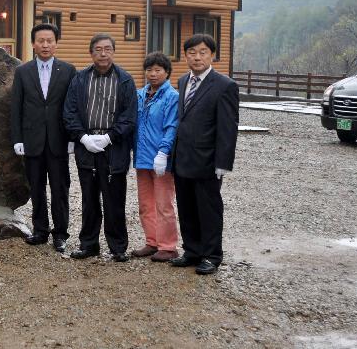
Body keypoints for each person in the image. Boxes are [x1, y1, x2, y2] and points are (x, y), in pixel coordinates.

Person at [63, 33, 137, 261]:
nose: (103, 54)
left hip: (113, 147)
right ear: (91, 53)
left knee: (114, 199)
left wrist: (109, 137)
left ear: (113, 52)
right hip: (87, 146)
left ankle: (118, 246)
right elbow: (70, 111)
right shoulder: (79, 79)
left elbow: (129, 116)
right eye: (98, 49)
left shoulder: (125, 80)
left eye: (107, 49)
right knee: (89, 198)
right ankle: (88, 244)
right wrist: (83, 138)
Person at [170, 34, 239, 275]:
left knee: (208, 209)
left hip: (208, 161)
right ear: (185, 55)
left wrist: (223, 163)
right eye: (192, 52)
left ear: (212, 55)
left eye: (202, 52)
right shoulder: (181, 81)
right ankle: (192, 251)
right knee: (186, 206)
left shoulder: (224, 85)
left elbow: (227, 128)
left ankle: (211, 255)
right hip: (183, 157)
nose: (197, 57)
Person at [10, 23, 76, 252]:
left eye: (49, 40)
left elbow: (72, 107)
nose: (45, 45)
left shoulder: (68, 71)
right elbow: (16, 107)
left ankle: (60, 234)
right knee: (36, 188)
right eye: (41, 41)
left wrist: (72, 138)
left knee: (60, 189)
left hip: (59, 141)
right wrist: (17, 139)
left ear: (56, 43)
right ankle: (40, 230)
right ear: (33, 44)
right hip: (32, 140)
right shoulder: (23, 71)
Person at [131, 52, 180, 262]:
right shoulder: (140, 94)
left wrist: (164, 152)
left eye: (158, 70)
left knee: (164, 204)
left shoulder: (172, 97)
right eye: (149, 70)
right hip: (142, 158)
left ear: (167, 72)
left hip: (161, 160)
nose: (153, 74)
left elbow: (172, 126)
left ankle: (168, 246)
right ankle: (152, 241)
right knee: (145, 204)